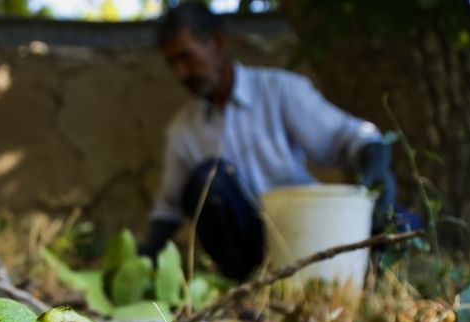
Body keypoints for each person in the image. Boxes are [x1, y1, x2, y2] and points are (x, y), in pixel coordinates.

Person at [139, 1, 399, 282]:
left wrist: (377, 167)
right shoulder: (184, 130)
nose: (181, 73)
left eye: (187, 57)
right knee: (208, 180)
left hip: (307, 235)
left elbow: (352, 138)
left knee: (402, 224)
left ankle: (367, 282)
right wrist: (142, 260)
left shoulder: (280, 91)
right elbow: (169, 208)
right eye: (172, 64)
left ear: (216, 41)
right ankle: (247, 288)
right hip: (247, 250)